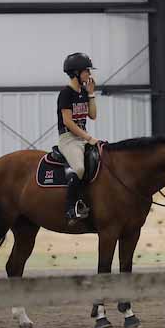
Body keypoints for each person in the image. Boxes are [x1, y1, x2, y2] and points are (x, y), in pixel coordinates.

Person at [58, 52, 99, 220]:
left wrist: (91, 94)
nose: (89, 74)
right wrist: (88, 138)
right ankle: (71, 208)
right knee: (80, 168)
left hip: (82, 137)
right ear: (76, 73)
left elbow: (93, 115)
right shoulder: (66, 94)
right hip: (68, 139)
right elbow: (68, 122)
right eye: (86, 71)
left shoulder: (83, 92)